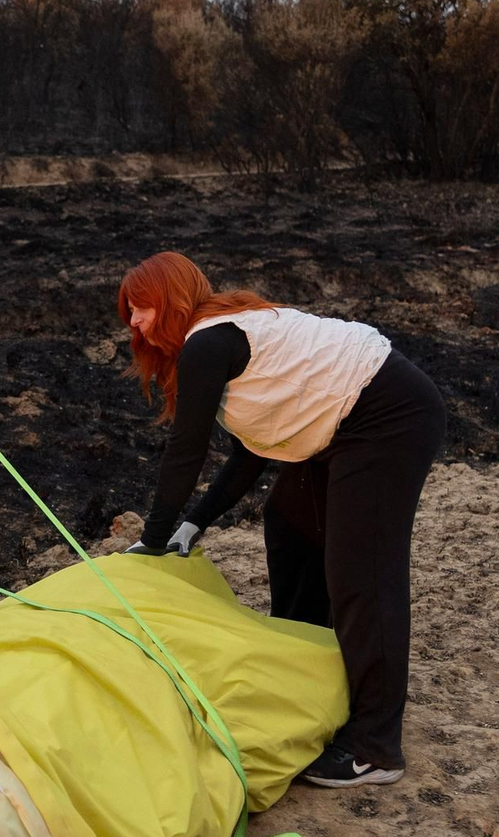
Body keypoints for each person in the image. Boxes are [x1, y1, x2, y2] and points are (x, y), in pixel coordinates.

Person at [114, 252, 446, 789]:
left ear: (172, 299)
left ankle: (375, 749)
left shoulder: (208, 342)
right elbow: (251, 453)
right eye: (129, 311)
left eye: (142, 307)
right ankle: (309, 681)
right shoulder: (219, 336)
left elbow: (185, 451)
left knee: (362, 574)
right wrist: (192, 524)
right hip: (341, 425)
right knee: (291, 525)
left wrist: (152, 541)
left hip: (387, 415)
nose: (134, 322)